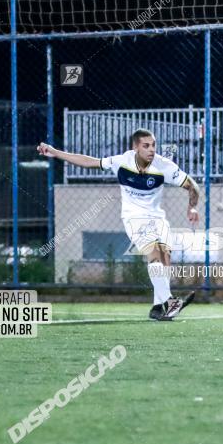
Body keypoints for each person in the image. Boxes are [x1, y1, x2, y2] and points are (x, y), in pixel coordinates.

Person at [37, 129, 198, 321]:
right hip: (134, 217)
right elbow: (90, 162)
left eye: (153, 145)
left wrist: (192, 208)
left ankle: (157, 308)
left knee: (165, 258)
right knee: (154, 254)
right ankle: (170, 301)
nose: (151, 150)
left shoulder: (164, 166)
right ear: (135, 147)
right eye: (146, 146)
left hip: (157, 217)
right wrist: (55, 152)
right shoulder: (122, 161)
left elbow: (192, 186)